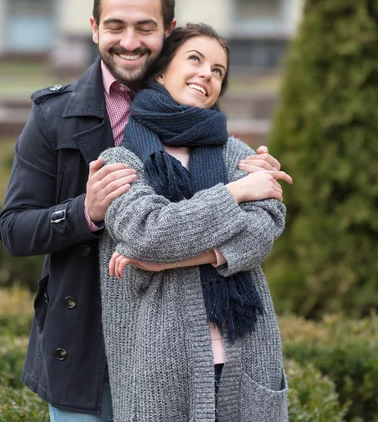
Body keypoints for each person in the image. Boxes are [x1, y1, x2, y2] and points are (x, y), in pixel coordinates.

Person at [0, 0, 287, 421]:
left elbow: (262, 225)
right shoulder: (54, 116)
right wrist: (85, 212)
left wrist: (254, 180)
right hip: (86, 343)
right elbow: (13, 229)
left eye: (144, 28)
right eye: (115, 26)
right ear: (94, 28)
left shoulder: (209, 128)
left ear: (167, 31)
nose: (129, 42)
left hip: (183, 344)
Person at [99, 23, 290, 422]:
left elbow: (263, 228)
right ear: (161, 71)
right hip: (160, 367)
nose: (207, 73)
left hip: (247, 354)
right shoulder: (122, 160)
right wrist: (235, 193)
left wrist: (167, 262)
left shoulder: (236, 153)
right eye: (196, 60)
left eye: (218, 71)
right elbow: (149, 233)